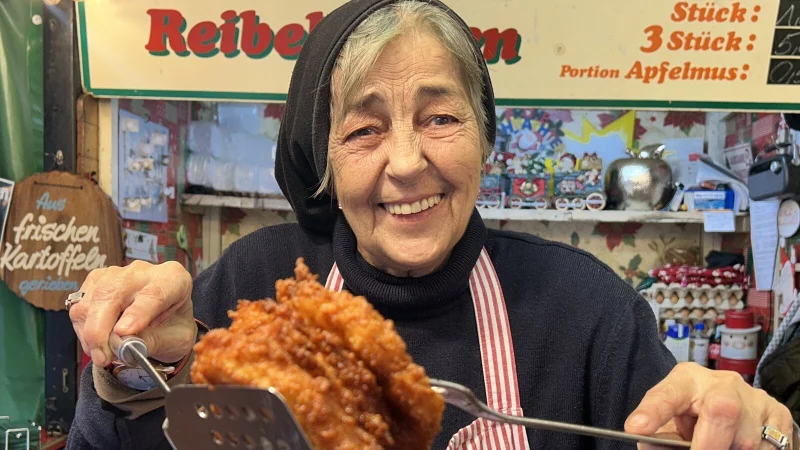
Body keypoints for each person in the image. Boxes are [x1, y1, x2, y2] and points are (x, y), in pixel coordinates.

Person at [65, 0, 796, 449]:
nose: (408, 163)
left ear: (485, 137)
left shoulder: (587, 314)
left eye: (441, 118)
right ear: (322, 159)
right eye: (364, 132)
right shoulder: (247, 290)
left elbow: (686, 428)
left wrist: (756, 430)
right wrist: (132, 375)